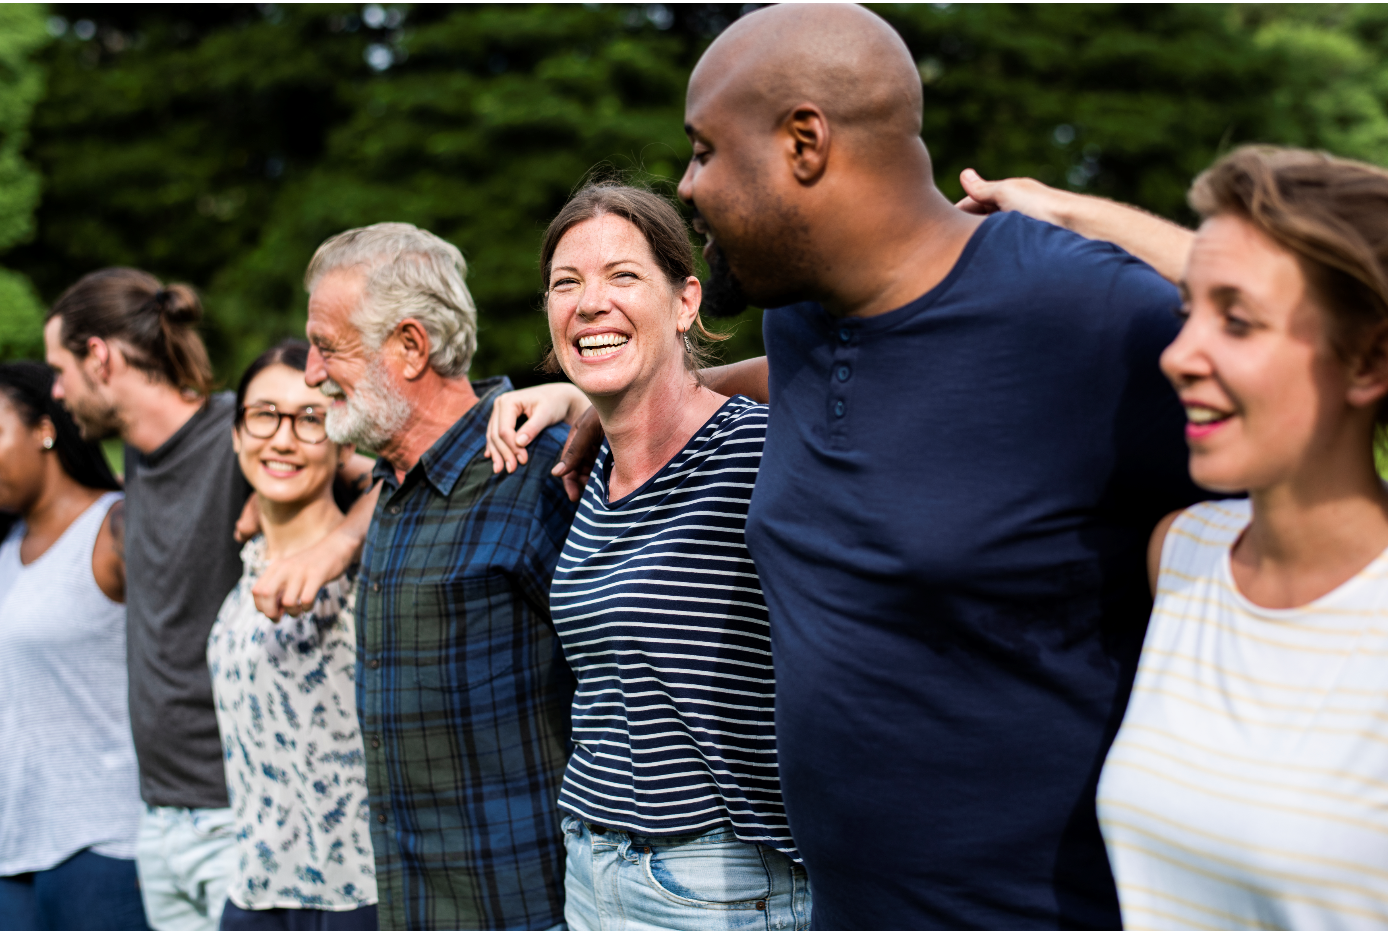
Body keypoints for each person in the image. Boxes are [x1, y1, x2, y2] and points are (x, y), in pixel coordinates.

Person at [499, 5, 1203, 928]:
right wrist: (606, 397)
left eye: (705, 150)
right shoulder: (807, 319)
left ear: (804, 141)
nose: (687, 182)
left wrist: (1081, 211)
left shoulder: (1078, 311)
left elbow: (1327, 355)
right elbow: (811, 375)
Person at [489, 183, 808, 930]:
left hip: (716, 880)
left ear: (686, 300)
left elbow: (848, 377)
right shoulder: (593, 467)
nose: (589, 302)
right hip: (589, 863)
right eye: (566, 284)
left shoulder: (756, 450)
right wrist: (580, 405)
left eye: (622, 276)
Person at [42, 270, 378, 931]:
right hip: (158, 821)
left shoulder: (253, 429)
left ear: (100, 357)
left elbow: (400, 476)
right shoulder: (141, 457)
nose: (54, 390)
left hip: (241, 820)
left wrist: (336, 543)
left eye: (60, 368)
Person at [284, 222, 577, 930]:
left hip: (525, 905)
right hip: (413, 905)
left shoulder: (540, 470)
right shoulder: (392, 489)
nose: (311, 373)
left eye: (327, 346)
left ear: (411, 347)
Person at [207, 340, 379, 931]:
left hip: (353, 902)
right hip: (253, 895)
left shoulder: (372, 567)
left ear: (344, 439)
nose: (282, 439)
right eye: (263, 416)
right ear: (236, 432)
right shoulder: (246, 570)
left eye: (311, 419)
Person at [0, 362, 148, 931]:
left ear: (44, 428)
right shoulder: (8, 544)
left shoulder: (115, 528)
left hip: (102, 845)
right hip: (15, 849)